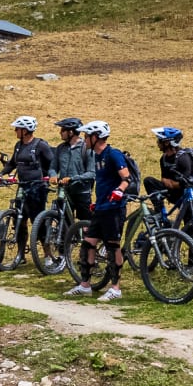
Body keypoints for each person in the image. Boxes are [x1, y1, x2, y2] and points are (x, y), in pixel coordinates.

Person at [65, 121, 131, 302]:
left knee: (113, 246)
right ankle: (85, 284)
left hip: (114, 209)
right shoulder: (96, 156)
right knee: (88, 243)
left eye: (87, 136)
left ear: (96, 137)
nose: (85, 140)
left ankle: (115, 288)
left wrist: (120, 191)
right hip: (101, 208)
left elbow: (127, 178)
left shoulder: (113, 155)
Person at [0, 116, 53, 261]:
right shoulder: (18, 145)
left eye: (17, 128)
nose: (15, 131)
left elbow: (52, 164)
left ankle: (48, 254)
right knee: (19, 220)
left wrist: (48, 178)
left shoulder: (41, 145)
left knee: (38, 221)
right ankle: (21, 254)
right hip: (22, 187)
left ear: (25, 130)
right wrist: (0, 174)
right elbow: (12, 164)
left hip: (37, 188)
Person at [49, 117, 95, 220]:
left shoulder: (86, 148)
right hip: (64, 192)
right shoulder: (60, 148)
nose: (60, 133)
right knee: (63, 223)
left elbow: (92, 173)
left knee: (85, 225)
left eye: (63, 130)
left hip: (82, 193)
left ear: (71, 132)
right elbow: (53, 167)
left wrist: (73, 178)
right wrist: (53, 176)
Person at [144, 127, 193, 215]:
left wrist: (171, 183)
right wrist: (169, 183)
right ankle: (160, 213)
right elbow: (164, 180)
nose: (157, 143)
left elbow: (187, 183)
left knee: (190, 224)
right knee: (148, 181)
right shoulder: (163, 159)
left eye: (159, 141)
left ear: (167, 142)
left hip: (184, 194)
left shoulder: (183, 158)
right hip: (171, 191)